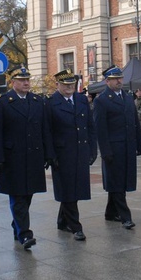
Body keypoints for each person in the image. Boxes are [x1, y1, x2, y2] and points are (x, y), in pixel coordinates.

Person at [0, 66, 53, 249]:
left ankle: (17, 225)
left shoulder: (37, 101)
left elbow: (45, 129)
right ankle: (25, 233)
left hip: (33, 155)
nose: (26, 83)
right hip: (13, 157)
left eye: (28, 79)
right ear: (13, 82)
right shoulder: (3, 102)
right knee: (17, 196)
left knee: (28, 194)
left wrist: (48, 153)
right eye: (22, 80)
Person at [46, 69, 97, 241]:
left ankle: (62, 221)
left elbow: (90, 126)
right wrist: (50, 155)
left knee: (75, 188)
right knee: (68, 189)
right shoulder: (51, 103)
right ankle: (76, 226)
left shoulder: (81, 100)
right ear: (58, 85)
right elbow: (48, 131)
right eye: (65, 84)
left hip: (80, 150)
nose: (69, 87)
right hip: (62, 153)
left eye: (71, 84)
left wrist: (92, 149)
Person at [93, 65, 141, 230]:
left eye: (120, 78)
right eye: (115, 79)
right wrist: (105, 150)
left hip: (127, 146)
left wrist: (139, 142)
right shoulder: (101, 100)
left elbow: (134, 121)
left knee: (120, 181)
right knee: (117, 183)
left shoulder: (127, 97)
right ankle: (125, 216)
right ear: (107, 81)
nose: (119, 81)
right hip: (114, 148)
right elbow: (100, 129)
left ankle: (110, 212)